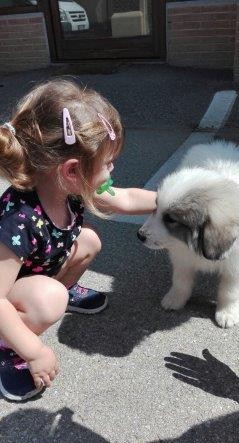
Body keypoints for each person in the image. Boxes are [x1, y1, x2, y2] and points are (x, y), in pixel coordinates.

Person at [0, 79, 156, 401]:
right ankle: (7, 350)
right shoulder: (20, 219)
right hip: (10, 291)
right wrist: (33, 351)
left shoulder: (72, 187)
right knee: (49, 299)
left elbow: (124, 198)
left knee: (88, 241)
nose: (113, 168)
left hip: (35, 274)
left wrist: (176, 199)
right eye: (108, 163)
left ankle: (59, 293)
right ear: (72, 170)